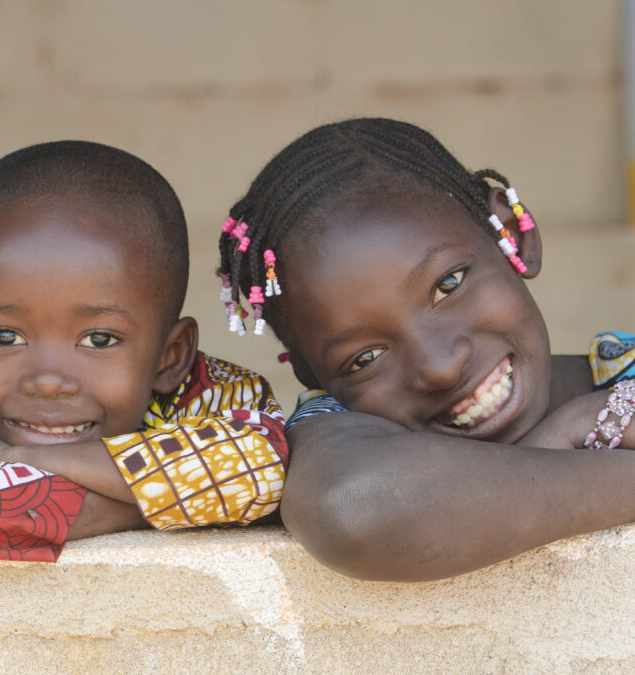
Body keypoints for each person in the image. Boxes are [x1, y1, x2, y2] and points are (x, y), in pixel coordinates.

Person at [215, 117, 635, 582]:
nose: (439, 367)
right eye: (364, 359)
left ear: (510, 235)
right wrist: (570, 435)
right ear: (313, 375)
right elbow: (358, 512)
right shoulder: (334, 431)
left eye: (448, 285)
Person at [0, 140, 289, 562]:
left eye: (99, 340)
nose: (48, 381)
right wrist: (184, 503)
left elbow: (265, 466)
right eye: (5, 337)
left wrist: (6, 456)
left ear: (171, 356)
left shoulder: (211, 393)